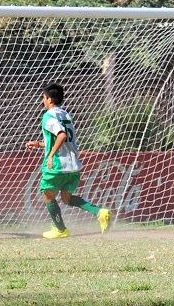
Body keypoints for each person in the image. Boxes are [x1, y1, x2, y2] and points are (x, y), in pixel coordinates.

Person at [25, 83, 111, 239]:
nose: (43, 101)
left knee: (47, 195)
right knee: (66, 198)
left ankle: (60, 229)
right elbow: (63, 138)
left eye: (43, 98)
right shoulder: (65, 115)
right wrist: (39, 144)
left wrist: (50, 155)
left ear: (49, 99)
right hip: (73, 166)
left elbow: (62, 136)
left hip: (57, 165)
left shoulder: (48, 116)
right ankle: (99, 212)